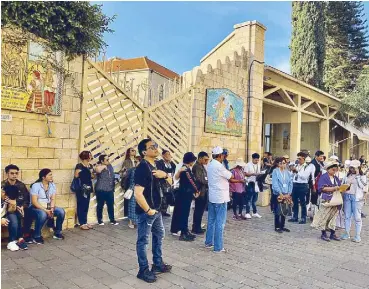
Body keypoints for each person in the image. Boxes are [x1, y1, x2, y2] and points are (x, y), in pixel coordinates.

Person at [134, 139, 172, 283]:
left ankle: (157, 263)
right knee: (143, 240)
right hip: (147, 212)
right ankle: (143, 270)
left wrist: (165, 175)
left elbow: (171, 182)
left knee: (159, 235)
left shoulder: (156, 165)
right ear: (144, 152)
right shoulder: (142, 167)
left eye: (156, 145)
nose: (156, 148)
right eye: (152, 147)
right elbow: (138, 193)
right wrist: (148, 210)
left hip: (157, 210)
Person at [205, 146, 234, 253]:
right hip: (221, 197)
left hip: (213, 196)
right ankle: (218, 247)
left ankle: (208, 242)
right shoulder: (219, 166)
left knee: (211, 220)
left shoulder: (211, 164)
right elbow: (230, 176)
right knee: (220, 223)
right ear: (220, 155)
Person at [29, 169, 65, 244]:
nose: (52, 176)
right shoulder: (36, 185)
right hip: (36, 207)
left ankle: (57, 233)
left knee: (61, 211)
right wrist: (46, 210)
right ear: (43, 177)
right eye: (50, 175)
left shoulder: (52, 185)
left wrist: (51, 209)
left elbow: (53, 198)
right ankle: (37, 236)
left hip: (48, 206)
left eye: (51, 174)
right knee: (43, 214)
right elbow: (34, 201)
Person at [170, 153, 200, 241]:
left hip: (183, 194)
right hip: (185, 194)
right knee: (184, 213)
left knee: (180, 212)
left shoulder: (186, 168)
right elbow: (191, 181)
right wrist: (197, 190)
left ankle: (183, 230)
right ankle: (183, 232)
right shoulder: (185, 169)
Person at [1, 164, 32, 245]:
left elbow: (26, 199)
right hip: (6, 210)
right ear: (7, 174)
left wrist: (22, 206)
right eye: (12, 173)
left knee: (27, 213)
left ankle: (23, 237)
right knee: (14, 221)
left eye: (16, 173)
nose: (14, 175)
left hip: (19, 208)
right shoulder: (2, 185)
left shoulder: (21, 185)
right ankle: (13, 240)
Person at [311, 161, 342, 241]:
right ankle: (323, 233)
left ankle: (332, 233)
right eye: (333, 170)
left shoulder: (335, 178)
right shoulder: (323, 177)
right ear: (328, 169)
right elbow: (321, 188)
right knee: (324, 216)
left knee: (333, 217)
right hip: (326, 199)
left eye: (335, 170)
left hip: (335, 200)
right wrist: (333, 188)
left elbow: (339, 186)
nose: (334, 171)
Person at [341, 160, 366, 242]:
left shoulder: (362, 176)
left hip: (357, 198)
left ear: (358, 167)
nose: (352, 169)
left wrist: (358, 175)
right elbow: (344, 184)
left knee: (357, 217)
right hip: (347, 196)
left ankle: (358, 236)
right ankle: (347, 233)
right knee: (347, 216)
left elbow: (362, 185)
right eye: (351, 167)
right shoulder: (348, 175)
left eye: (354, 167)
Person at [289, 152, 315, 224]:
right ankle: (295, 216)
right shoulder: (296, 165)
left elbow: (304, 177)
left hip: (303, 185)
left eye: (300, 159)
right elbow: (291, 176)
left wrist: (297, 171)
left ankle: (303, 218)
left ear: (304, 158)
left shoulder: (307, 167)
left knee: (303, 202)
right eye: (298, 158)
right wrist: (292, 171)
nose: (298, 160)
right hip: (295, 185)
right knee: (294, 201)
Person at [2, 185, 28, 251]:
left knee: (16, 215)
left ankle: (18, 238)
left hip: (4, 214)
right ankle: (12, 241)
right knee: (13, 218)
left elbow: (10, 210)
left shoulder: (9, 199)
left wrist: (15, 205)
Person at [95, 154, 118, 226]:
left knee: (110, 205)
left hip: (110, 189)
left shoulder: (110, 166)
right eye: (107, 160)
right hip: (101, 189)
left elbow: (112, 175)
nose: (108, 161)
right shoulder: (99, 166)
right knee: (100, 205)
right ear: (102, 161)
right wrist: (103, 166)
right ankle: (100, 220)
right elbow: (97, 170)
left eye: (108, 159)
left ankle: (112, 220)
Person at [74, 151, 94, 230]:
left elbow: (92, 175)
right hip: (81, 187)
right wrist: (86, 173)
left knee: (86, 204)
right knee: (81, 204)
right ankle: (81, 222)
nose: (91, 157)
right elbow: (76, 175)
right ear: (86, 156)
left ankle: (85, 221)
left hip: (88, 187)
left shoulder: (90, 166)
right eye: (90, 155)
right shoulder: (79, 165)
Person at [272, 157, 293, 233]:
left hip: (286, 193)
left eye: (284, 163)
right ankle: (277, 227)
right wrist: (280, 193)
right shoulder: (275, 171)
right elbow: (275, 183)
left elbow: (290, 183)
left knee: (285, 210)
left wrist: (289, 193)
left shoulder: (287, 172)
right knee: (278, 210)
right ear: (278, 164)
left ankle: (282, 226)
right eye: (280, 163)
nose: (282, 164)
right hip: (278, 194)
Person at [191, 151, 210, 234]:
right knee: (198, 210)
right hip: (200, 191)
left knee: (201, 210)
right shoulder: (197, 166)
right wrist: (208, 182)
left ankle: (197, 226)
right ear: (200, 158)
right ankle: (196, 228)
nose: (207, 161)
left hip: (203, 191)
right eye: (205, 159)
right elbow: (199, 178)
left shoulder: (202, 166)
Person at [157, 150, 176, 217]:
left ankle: (164, 211)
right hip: (162, 182)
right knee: (162, 197)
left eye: (169, 154)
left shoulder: (171, 164)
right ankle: (160, 211)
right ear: (163, 155)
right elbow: (160, 171)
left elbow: (174, 169)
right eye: (167, 154)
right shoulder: (159, 163)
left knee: (168, 196)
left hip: (170, 182)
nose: (169, 156)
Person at [244, 153, 262, 219]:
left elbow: (258, 173)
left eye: (258, 160)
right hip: (249, 183)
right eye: (255, 160)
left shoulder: (258, 165)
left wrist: (260, 174)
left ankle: (254, 212)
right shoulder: (248, 165)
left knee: (255, 199)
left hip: (256, 183)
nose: (257, 161)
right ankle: (247, 212)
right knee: (249, 199)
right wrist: (252, 174)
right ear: (252, 159)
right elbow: (245, 174)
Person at [121, 147, 138, 217]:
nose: (134, 151)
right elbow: (125, 172)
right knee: (128, 196)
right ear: (129, 152)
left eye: (134, 150)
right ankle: (127, 214)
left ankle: (135, 213)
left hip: (137, 181)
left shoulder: (137, 160)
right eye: (132, 150)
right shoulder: (126, 161)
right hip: (129, 181)